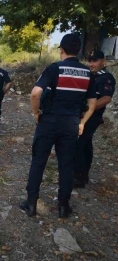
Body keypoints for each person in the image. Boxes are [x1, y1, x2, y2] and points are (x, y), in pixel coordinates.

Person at [19, 33, 97, 218]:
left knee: (38, 162)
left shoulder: (55, 69)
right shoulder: (88, 73)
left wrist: (36, 113)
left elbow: (35, 93)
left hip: (49, 122)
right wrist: (82, 123)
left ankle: (31, 204)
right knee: (66, 165)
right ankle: (63, 207)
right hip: (71, 123)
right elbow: (92, 104)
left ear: (61, 50)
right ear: (79, 51)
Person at [73, 50, 116, 188]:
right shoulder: (91, 75)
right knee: (86, 144)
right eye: (90, 61)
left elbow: (106, 98)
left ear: (103, 61)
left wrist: (88, 108)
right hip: (84, 115)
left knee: (79, 144)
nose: (91, 64)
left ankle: (79, 177)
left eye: (95, 61)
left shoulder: (106, 77)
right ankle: (83, 173)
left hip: (92, 117)